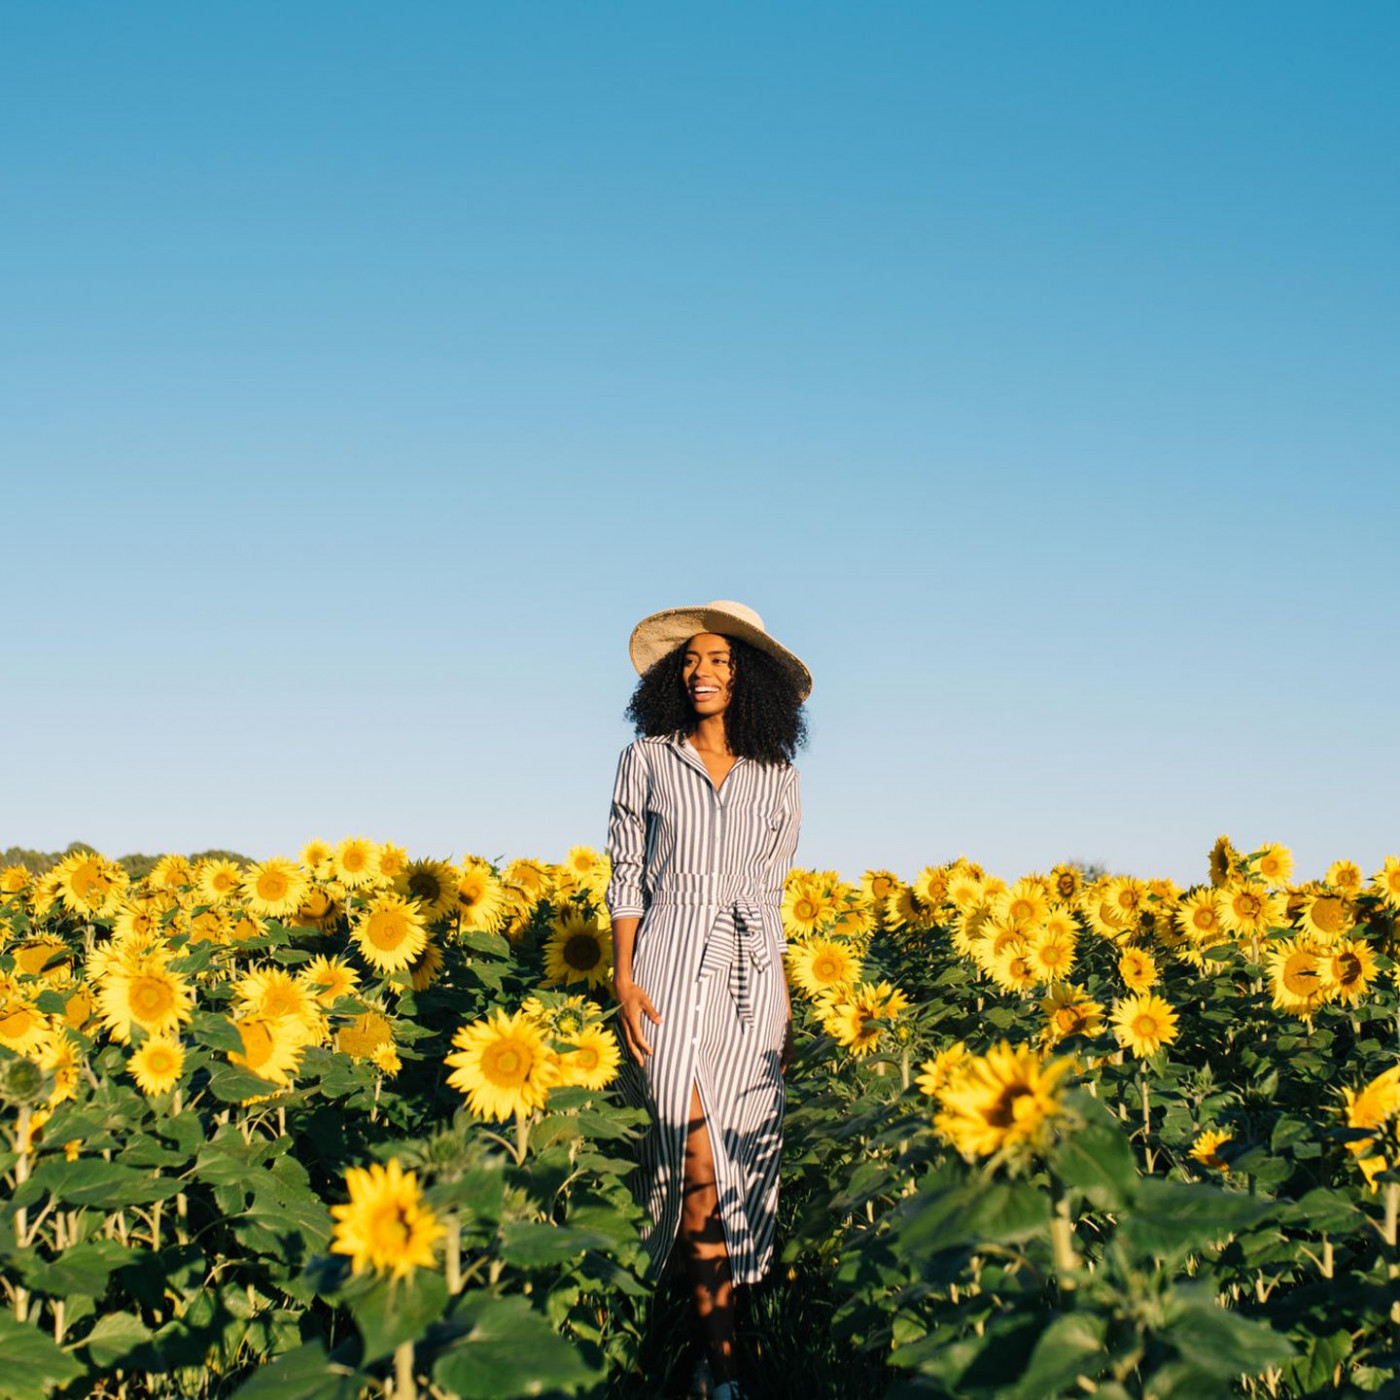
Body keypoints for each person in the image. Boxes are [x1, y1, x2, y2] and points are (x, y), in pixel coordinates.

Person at [604, 599, 810, 1400]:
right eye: (689, 660)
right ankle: (723, 1367)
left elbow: (773, 892)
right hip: (665, 963)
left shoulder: (779, 778)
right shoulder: (647, 760)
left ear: (746, 674)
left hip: (751, 979)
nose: (702, 672)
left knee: (741, 1164)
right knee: (689, 1156)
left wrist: (783, 1001)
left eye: (720, 659)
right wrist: (624, 977)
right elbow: (626, 873)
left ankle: (714, 1341)